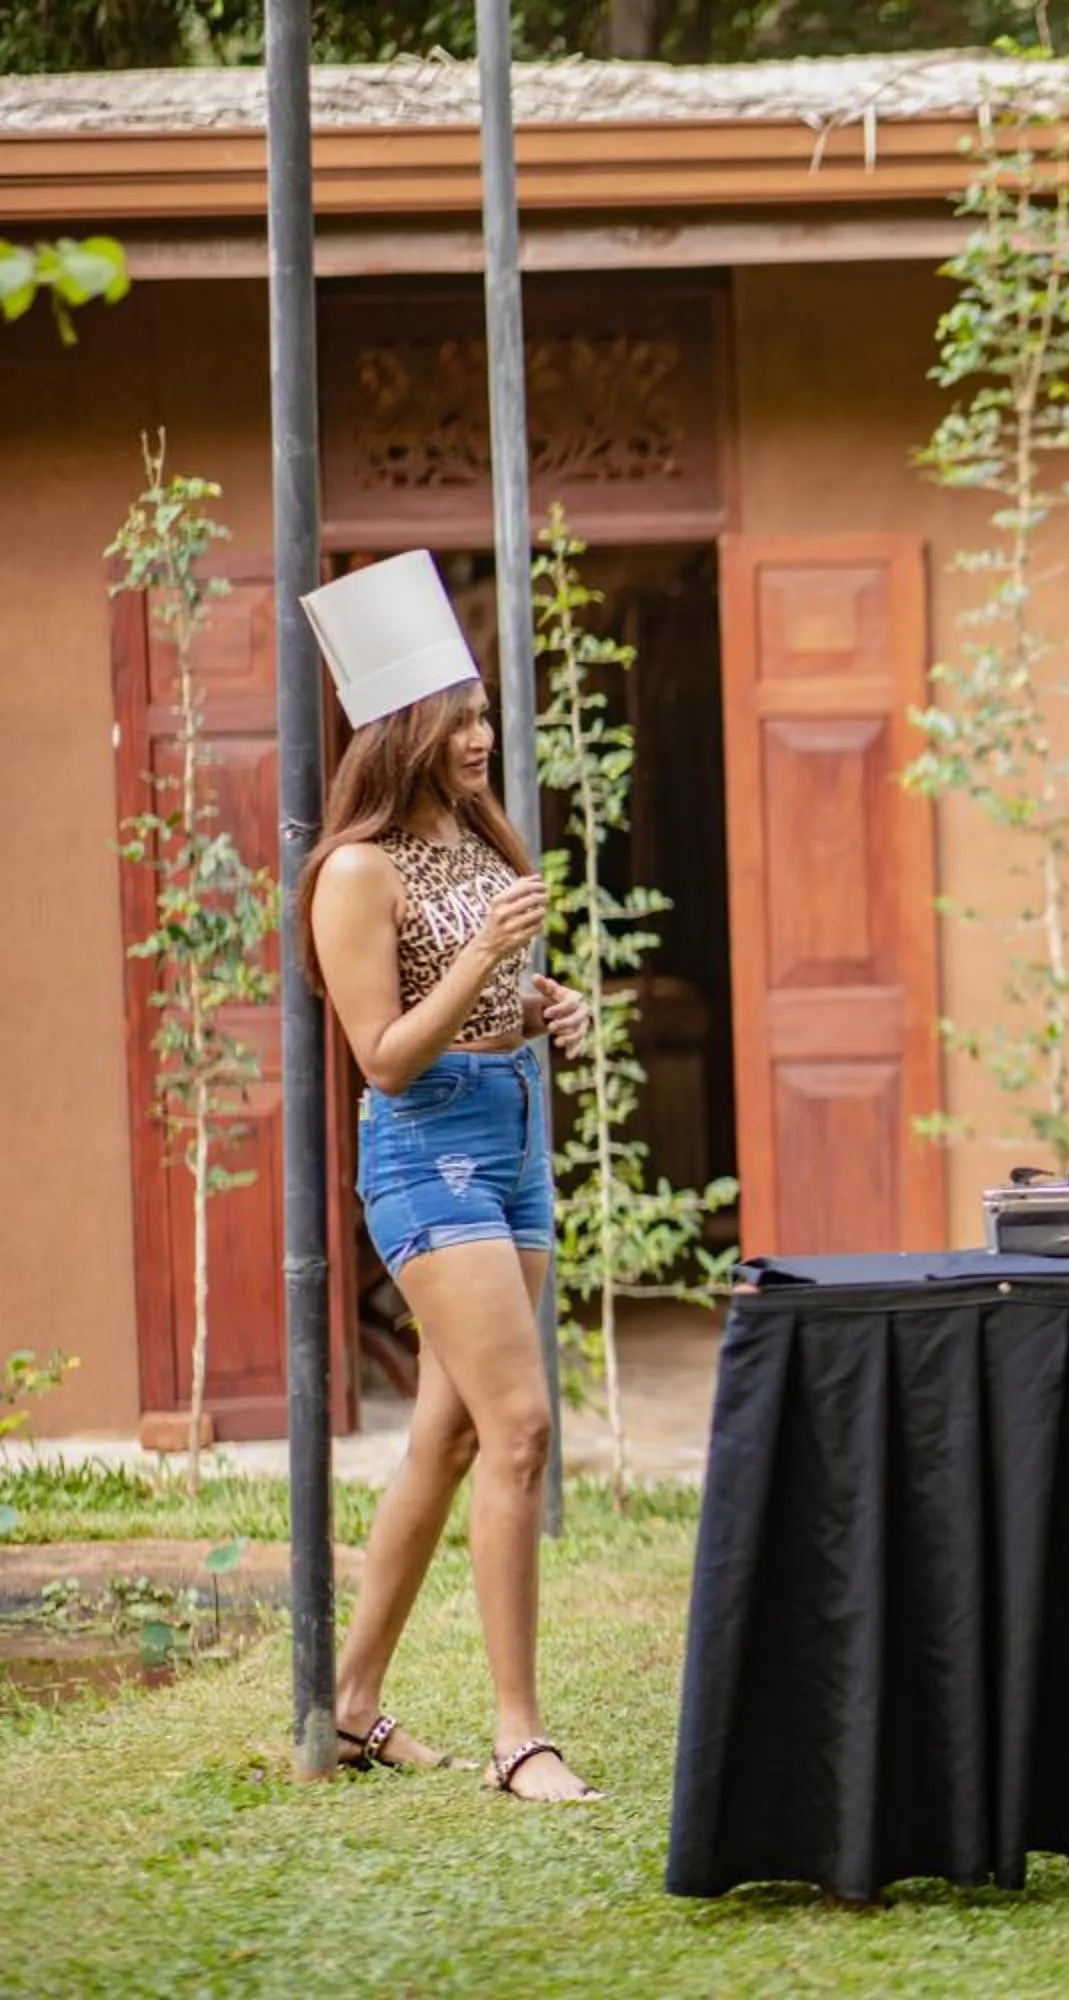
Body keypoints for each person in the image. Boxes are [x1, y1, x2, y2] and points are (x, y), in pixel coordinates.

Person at [292, 551, 602, 1803]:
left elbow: (478, 1003)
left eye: (484, 713)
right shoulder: (355, 872)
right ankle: (519, 1733)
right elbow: (384, 1051)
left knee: (455, 1426)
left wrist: (546, 1003)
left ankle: (352, 1705)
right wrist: (486, 956)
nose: (482, 735)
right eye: (459, 717)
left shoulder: (478, 838)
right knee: (521, 1423)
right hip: (427, 1152)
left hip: (514, 1132)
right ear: (405, 729)